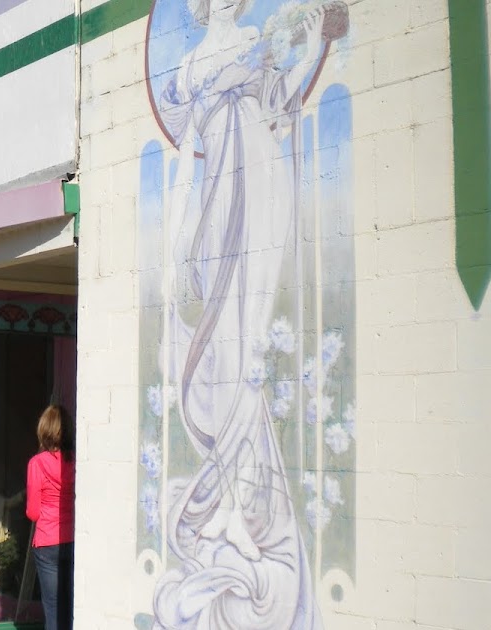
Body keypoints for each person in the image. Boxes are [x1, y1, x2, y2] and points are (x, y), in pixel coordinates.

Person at [149, 0, 341, 627]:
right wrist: (173, 252)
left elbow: (283, 110)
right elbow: (183, 165)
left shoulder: (261, 37)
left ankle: (241, 505)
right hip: (215, 203)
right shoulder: (183, 68)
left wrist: (312, 43)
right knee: (218, 352)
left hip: (259, 188)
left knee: (246, 345)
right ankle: (229, 504)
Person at [25, 404, 75, 630]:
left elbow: (33, 512)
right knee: (71, 604)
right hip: (72, 538)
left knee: (53, 607)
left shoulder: (37, 463)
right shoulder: (75, 461)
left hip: (46, 541)